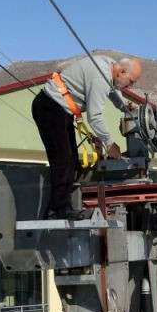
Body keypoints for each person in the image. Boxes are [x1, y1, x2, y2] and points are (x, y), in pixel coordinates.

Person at [31, 54, 143, 219]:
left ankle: (63, 206)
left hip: (59, 110)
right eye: (131, 81)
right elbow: (95, 116)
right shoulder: (101, 77)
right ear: (122, 71)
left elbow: (113, 90)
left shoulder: (109, 65)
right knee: (63, 158)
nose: (131, 86)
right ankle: (57, 210)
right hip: (50, 108)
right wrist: (110, 143)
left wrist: (124, 106)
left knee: (71, 159)